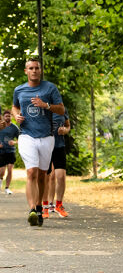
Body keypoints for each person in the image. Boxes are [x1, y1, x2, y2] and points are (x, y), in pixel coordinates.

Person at [12, 58, 65, 226]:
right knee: (31, 172)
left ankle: (40, 208)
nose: (34, 71)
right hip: (27, 136)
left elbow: (61, 109)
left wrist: (46, 105)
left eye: (36, 68)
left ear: (40, 70)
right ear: (26, 71)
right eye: (31, 68)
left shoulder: (50, 88)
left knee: (42, 176)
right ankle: (32, 210)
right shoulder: (19, 90)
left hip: (46, 137)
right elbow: (14, 107)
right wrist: (16, 115)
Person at [43, 106, 70, 218]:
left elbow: (68, 126)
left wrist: (65, 130)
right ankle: (45, 206)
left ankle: (59, 205)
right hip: (45, 146)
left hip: (59, 146)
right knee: (47, 177)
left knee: (61, 176)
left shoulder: (63, 109)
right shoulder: (43, 108)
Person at [0, 109, 20, 194]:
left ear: (11, 116)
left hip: (11, 151)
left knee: (10, 169)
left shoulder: (15, 128)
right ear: (3, 117)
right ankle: (0, 180)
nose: (8, 117)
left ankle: (7, 188)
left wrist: (14, 142)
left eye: (9, 116)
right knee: (2, 171)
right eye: (6, 116)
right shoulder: (1, 126)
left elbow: (21, 139)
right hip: (1, 151)